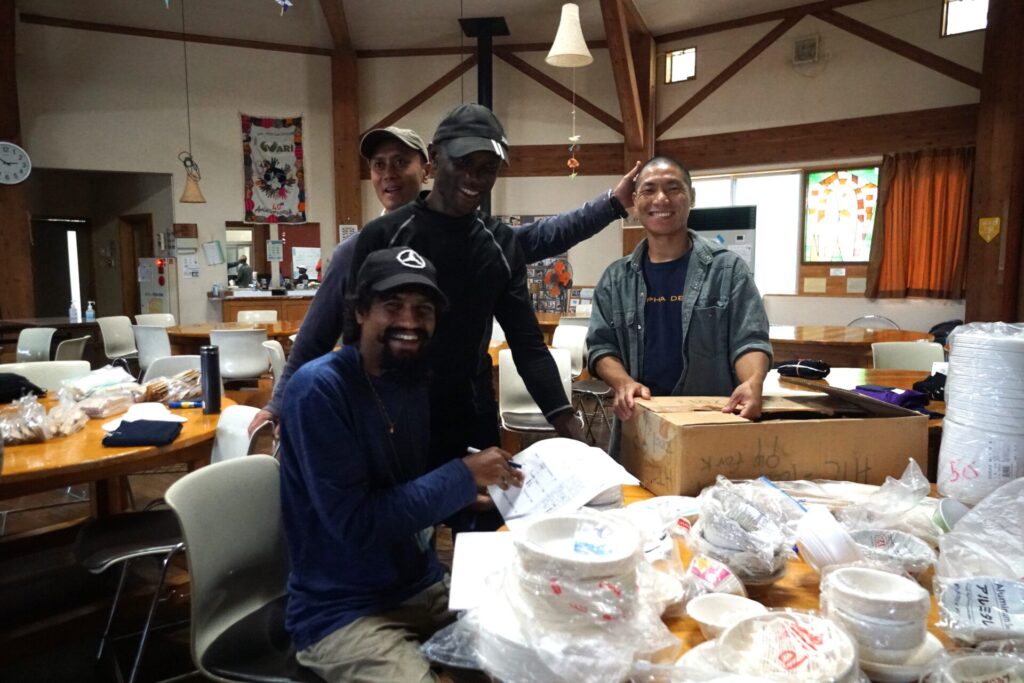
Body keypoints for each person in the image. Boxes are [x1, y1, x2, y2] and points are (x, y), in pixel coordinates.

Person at [249, 124, 639, 435]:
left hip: (465, 407)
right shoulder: (361, 248)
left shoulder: (484, 241)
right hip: (389, 411)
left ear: (427, 167)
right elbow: (319, 332)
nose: (389, 174)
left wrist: (611, 205)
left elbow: (545, 237)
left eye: (400, 162)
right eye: (379, 165)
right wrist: (280, 402)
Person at [279, 246, 522, 681]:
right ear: (360, 312)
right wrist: (461, 476)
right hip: (341, 610)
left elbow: (400, 486)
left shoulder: (410, 379)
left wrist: (463, 497)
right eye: (392, 307)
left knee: (527, 655)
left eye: (422, 310)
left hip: (419, 585)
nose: (409, 322)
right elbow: (356, 522)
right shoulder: (319, 390)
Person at [351, 104, 582, 478]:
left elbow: (528, 346)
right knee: (402, 513)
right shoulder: (384, 236)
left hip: (470, 413)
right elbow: (354, 336)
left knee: (480, 515)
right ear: (434, 157)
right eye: (462, 163)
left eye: (487, 168)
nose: (474, 177)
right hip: (393, 412)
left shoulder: (500, 245)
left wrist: (569, 425)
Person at [586, 156, 773, 457]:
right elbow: (601, 347)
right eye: (649, 190)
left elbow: (748, 340)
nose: (661, 199)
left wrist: (753, 382)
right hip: (640, 425)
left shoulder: (728, 270)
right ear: (635, 201)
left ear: (692, 197)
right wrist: (623, 383)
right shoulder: (615, 279)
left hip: (710, 426)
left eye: (673, 188)